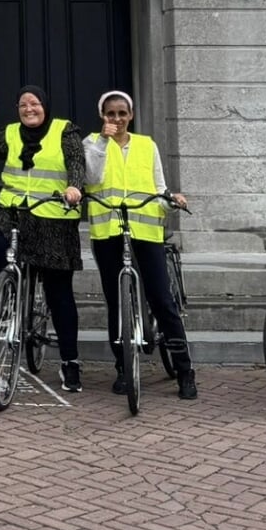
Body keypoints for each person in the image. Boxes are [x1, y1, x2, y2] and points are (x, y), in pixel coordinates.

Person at [83, 90, 197, 400]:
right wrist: (103, 142)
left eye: (122, 114)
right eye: (110, 114)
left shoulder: (147, 145)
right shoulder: (92, 144)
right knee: (116, 304)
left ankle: (185, 370)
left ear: (130, 115)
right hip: (108, 233)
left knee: (161, 300)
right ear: (102, 116)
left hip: (145, 231)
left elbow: (159, 187)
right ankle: (123, 368)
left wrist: (172, 201)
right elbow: (91, 178)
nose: (117, 119)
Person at [0, 85, 87, 392]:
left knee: (58, 291)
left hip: (54, 215)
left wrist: (75, 188)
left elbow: (77, 164)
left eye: (35, 103)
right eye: (23, 104)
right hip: (14, 208)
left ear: (45, 106)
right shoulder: (12, 132)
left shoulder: (65, 131)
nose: (29, 109)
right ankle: (4, 301)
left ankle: (70, 363)